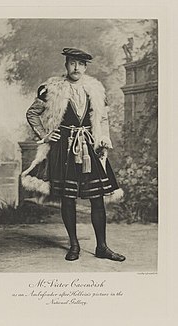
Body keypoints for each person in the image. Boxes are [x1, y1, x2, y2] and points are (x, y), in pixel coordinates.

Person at [22, 48, 126, 262]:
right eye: (72, 63)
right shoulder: (51, 89)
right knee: (68, 198)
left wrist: (104, 139)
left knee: (97, 199)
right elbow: (32, 113)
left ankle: (102, 247)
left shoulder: (95, 89)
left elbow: (103, 119)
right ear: (66, 65)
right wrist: (45, 134)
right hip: (64, 147)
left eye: (80, 63)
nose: (76, 67)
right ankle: (74, 246)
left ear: (85, 67)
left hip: (90, 146)